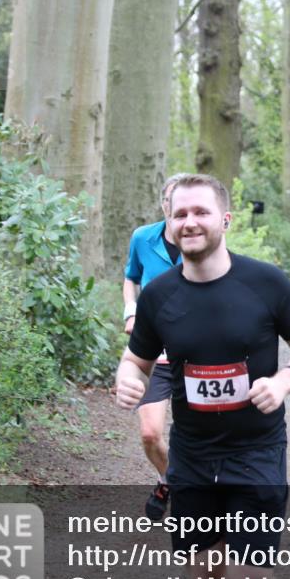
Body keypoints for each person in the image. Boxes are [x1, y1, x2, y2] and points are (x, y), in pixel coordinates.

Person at [115, 174, 290, 579]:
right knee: (206, 575)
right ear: (169, 224)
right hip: (192, 455)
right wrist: (129, 378)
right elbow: (136, 359)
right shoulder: (158, 296)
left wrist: (285, 380)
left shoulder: (264, 282)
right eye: (180, 214)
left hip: (256, 450)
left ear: (224, 220)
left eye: (201, 212)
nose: (189, 222)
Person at [122, 173, 188, 520]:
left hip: (196, 357)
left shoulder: (203, 240)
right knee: (150, 433)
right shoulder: (143, 238)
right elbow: (131, 278)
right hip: (155, 353)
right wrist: (131, 312)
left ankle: (187, 490)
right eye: (170, 202)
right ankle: (168, 480)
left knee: (193, 437)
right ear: (164, 205)